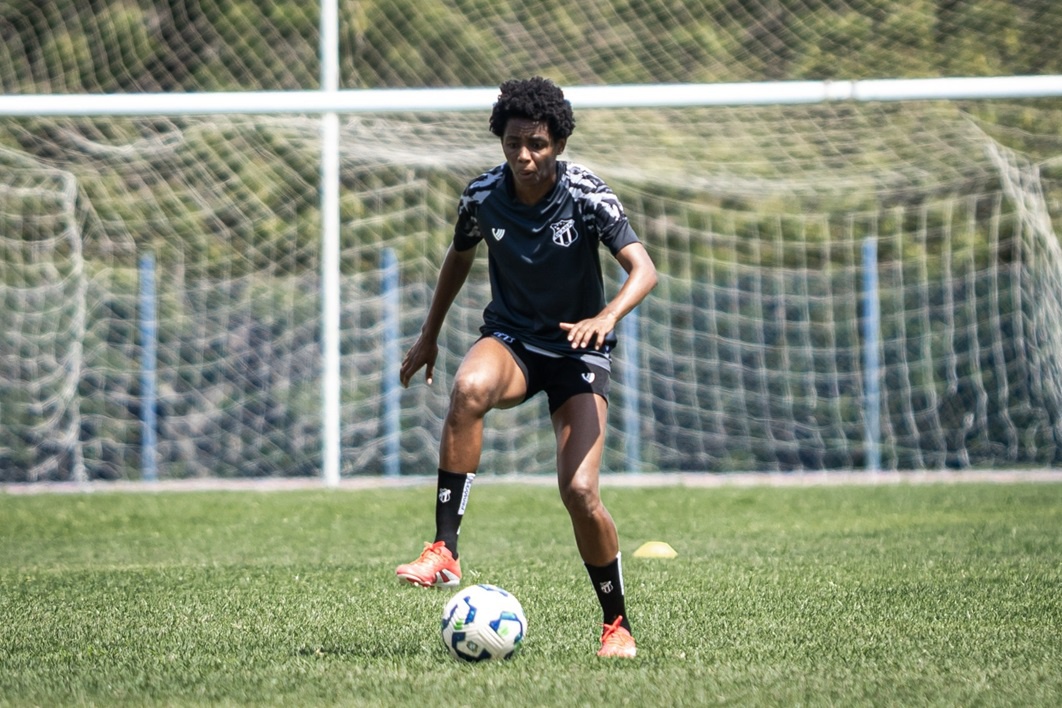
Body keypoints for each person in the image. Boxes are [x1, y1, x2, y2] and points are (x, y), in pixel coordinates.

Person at [394, 76, 657, 659]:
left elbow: (644, 269)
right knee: (469, 387)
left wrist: (607, 316)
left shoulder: (587, 193)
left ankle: (616, 625)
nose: (524, 156)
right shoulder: (482, 195)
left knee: (581, 491)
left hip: (577, 351)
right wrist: (430, 335)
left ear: (557, 143)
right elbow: (457, 259)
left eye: (536, 143)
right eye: (513, 143)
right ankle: (444, 550)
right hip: (513, 340)